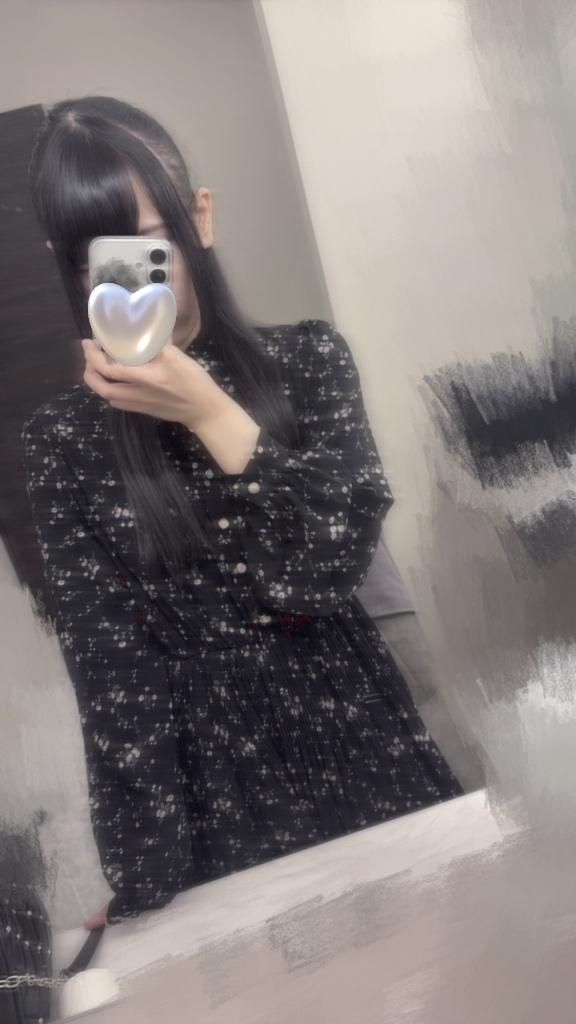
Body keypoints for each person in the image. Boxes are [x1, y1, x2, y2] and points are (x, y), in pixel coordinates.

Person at [21, 95, 463, 929]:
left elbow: (322, 573)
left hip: (352, 731)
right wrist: (145, 883)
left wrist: (211, 413)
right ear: (65, 264)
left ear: (200, 217)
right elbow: (112, 676)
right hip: (211, 786)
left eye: (149, 243)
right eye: (93, 258)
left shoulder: (310, 361)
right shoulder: (62, 441)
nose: (129, 279)